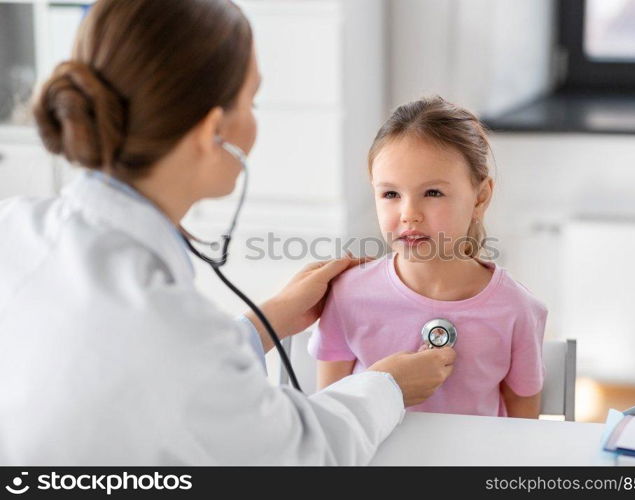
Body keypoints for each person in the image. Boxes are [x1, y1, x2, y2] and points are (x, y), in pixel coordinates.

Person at [0, 0, 456, 465]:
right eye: (251, 101)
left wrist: (262, 325)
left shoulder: (13, 226)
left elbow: (164, 377)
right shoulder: (169, 329)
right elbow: (303, 459)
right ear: (213, 132)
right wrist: (390, 387)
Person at [309, 97, 547, 418]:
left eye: (433, 193)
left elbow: (523, 430)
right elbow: (329, 414)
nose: (409, 214)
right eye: (390, 194)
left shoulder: (517, 310)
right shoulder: (346, 294)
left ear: (480, 197)